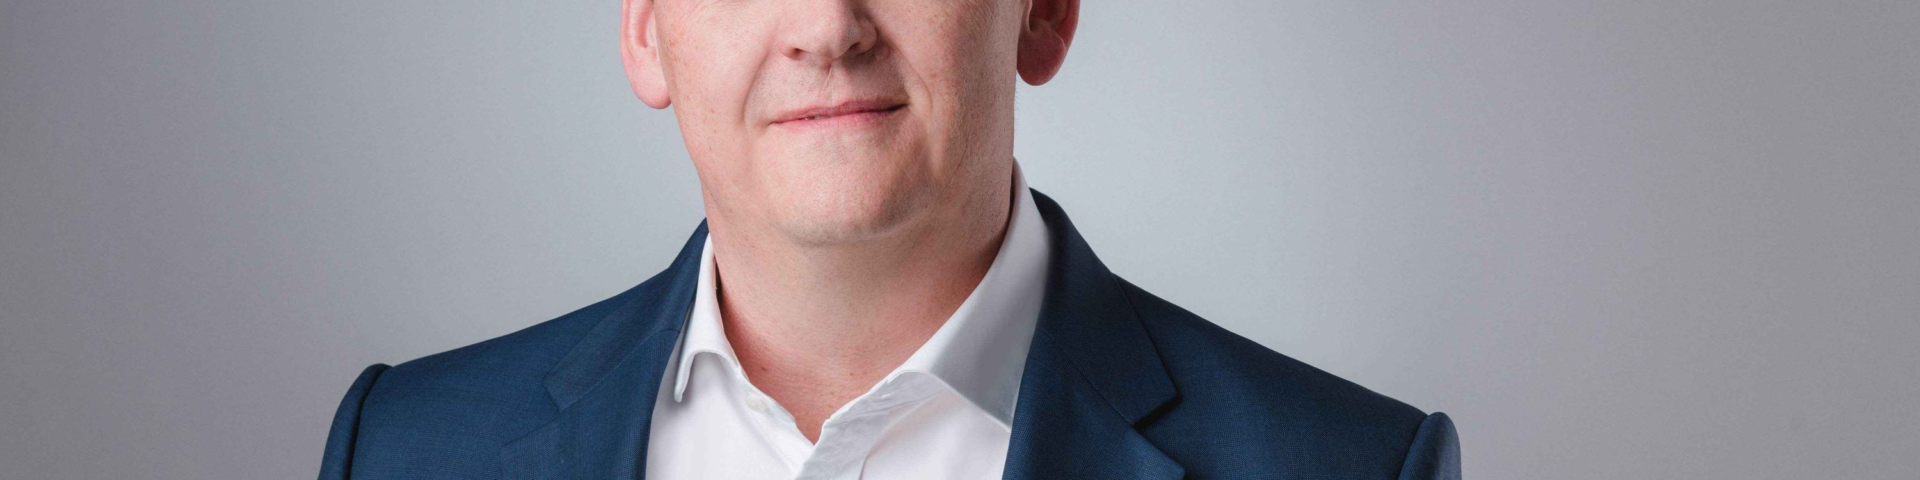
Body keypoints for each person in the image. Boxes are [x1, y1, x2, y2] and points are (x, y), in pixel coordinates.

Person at [318, 0, 1461, 478]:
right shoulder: (405, 454)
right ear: (645, 27)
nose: (829, 26)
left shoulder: (1350, 471)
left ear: (1046, 9)